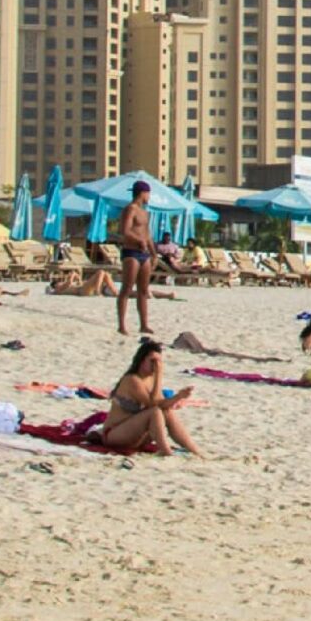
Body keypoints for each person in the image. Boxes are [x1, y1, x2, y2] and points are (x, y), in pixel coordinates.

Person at [101, 338, 201, 455]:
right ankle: (165, 451)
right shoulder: (132, 380)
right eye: (152, 361)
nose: (156, 366)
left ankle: (194, 450)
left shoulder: (151, 379)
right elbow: (153, 404)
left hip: (136, 435)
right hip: (114, 434)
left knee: (167, 411)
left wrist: (179, 396)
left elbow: (161, 404)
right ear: (142, 361)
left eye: (158, 362)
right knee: (154, 412)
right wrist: (159, 375)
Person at [115, 180, 157, 339]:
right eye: (148, 193)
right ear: (142, 193)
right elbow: (124, 230)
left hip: (144, 254)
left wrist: (154, 253)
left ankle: (144, 324)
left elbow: (148, 235)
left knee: (143, 290)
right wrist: (138, 240)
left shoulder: (145, 212)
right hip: (131, 252)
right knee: (126, 289)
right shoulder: (130, 209)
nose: (149, 197)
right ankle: (121, 324)